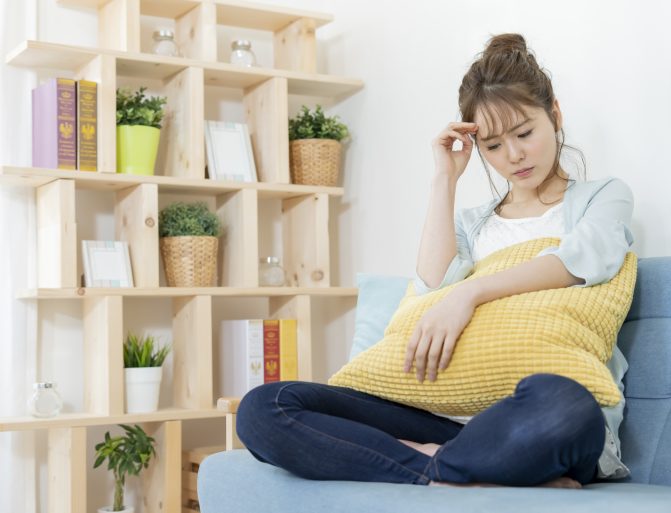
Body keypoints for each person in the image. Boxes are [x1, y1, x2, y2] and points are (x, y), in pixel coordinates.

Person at [236, 33, 634, 489]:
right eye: (494, 146)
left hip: (529, 421)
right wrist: (444, 179)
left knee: (564, 401)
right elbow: (429, 292)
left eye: (525, 133)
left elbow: (584, 259)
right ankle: (444, 467)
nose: (514, 156)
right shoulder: (473, 223)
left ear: (555, 115)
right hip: (440, 420)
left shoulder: (601, 197)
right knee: (265, 407)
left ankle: (437, 466)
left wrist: (470, 292)